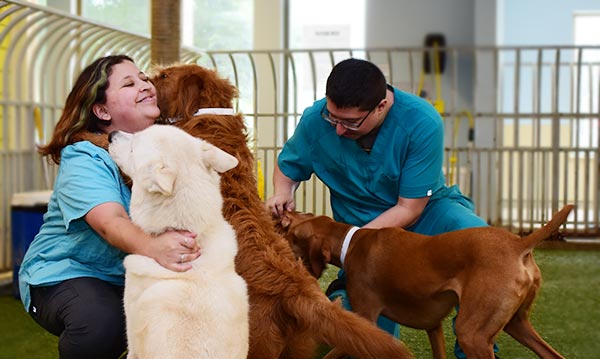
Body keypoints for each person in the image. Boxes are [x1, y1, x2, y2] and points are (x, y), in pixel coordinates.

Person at [266, 58, 498, 358]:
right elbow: (289, 167)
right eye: (332, 117)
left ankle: (476, 348)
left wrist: (357, 244)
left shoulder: (421, 121)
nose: (337, 130)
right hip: (359, 225)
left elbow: (409, 207)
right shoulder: (314, 119)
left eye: (349, 123)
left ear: (381, 106)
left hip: (427, 214)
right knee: (361, 334)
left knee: (478, 241)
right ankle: (345, 293)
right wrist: (281, 192)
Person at [18, 55, 201, 359]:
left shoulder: (169, 147)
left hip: (128, 275)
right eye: (129, 83)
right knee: (101, 324)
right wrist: (155, 247)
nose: (145, 85)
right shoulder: (84, 156)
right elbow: (110, 221)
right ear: (102, 111)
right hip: (65, 274)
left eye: (143, 78)